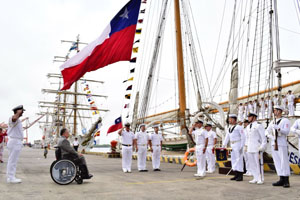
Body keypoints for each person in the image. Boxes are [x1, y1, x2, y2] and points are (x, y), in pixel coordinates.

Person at [266, 105, 291, 188]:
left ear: (280, 111)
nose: (274, 112)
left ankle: (286, 180)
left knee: (284, 161)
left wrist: (279, 129)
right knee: (277, 162)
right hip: (274, 143)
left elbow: (287, 132)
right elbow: (267, 131)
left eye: (275, 110)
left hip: (282, 143)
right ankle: (281, 178)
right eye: (274, 110)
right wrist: (270, 136)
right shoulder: (272, 121)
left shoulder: (285, 120)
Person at [222, 114, 245, 181]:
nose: (229, 120)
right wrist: (223, 145)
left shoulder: (239, 127)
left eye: (230, 119)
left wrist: (242, 146)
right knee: (234, 160)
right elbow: (227, 137)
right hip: (232, 145)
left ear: (234, 120)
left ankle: (240, 175)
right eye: (229, 119)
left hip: (238, 144)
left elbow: (243, 137)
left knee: (239, 160)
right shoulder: (229, 128)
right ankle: (236, 174)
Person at [246, 112, 267, 185]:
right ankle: (255, 177)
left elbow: (263, 137)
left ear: (254, 117)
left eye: (250, 117)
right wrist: (246, 146)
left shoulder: (259, 126)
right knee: (252, 164)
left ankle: (260, 178)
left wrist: (262, 146)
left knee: (258, 164)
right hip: (250, 147)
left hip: (257, 147)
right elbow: (247, 138)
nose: (248, 118)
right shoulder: (248, 127)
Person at [6, 105, 25, 183]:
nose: (23, 112)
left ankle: (10, 176)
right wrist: (18, 113)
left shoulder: (18, 120)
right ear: (18, 111)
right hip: (15, 141)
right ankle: (11, 178)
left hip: (15, 141)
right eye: (22, 111)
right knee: (13, 160)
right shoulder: (13, 118)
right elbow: (14, 119)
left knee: (12, 160)